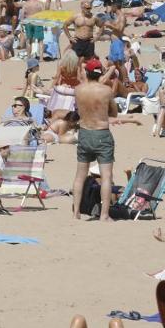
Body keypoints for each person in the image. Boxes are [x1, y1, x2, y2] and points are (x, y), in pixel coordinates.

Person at [71, 57, 117, 221]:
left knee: (79, 175)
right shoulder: (106, 91)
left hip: (84, 132)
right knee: (106, 176)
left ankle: (76, 212)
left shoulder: (78, 89)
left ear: (88, 72)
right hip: (101, 133)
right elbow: (114, 112)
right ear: (100, 73)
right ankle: (104, 214)